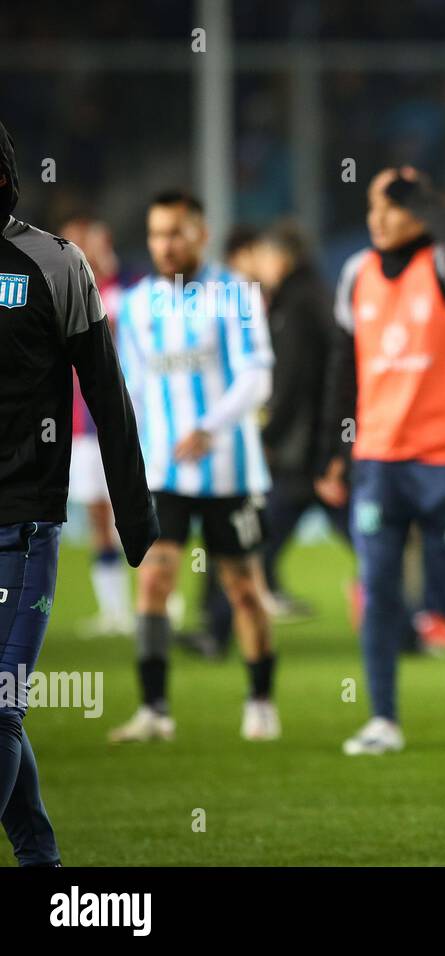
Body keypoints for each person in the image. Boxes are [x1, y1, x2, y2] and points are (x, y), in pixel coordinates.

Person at [0, 119, 157, 864]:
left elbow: (108, 393)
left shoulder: (55, 263)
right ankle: (43, 864)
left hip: (22, 525)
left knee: (1, 710)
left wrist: (134, 512)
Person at [318, 167, 445, 754]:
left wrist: (423, 198)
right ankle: (383, 721)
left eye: (392, 207)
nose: (377, 217)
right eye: (373, 206)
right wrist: (335, 452)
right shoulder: (356, 272)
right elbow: (345, 367)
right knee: (379, 588)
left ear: (421, 212)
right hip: (378, 455)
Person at [108, 190, 281, 743]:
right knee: (154, 581)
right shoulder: (134, 306)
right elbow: (128, 386)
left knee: (244, 589)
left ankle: (259, 701)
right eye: (157, 233)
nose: (166, 244)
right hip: (162, 473)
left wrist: (212, 426)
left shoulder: (235, 294)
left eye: (177, 232)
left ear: (201, 234)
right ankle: (155, 711)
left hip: (227, 469)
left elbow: (258, 375)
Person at [253, 223, 351, 613]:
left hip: (304, 447)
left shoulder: (295, 305)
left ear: (281, 257)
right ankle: (409, 624)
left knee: (260, 538)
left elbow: (292, 381)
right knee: (365, 539)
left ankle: (219, 623)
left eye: (263, 256)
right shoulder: (318, 296)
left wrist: (271, 434)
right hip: (320, 444)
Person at [60, 217, 134, 637]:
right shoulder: (59, 297)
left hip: (121, 422)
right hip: (81, 427)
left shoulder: (124, 296)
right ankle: (114, 611)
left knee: (135, 510)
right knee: (98, 519)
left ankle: (160, 600)